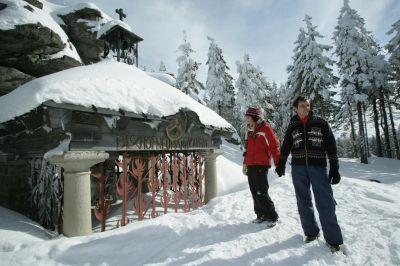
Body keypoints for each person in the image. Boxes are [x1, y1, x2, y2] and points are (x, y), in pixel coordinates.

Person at [275, 95, 343, 252]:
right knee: (303, 201)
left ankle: (333, 240)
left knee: (325, 202)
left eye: (307, 105)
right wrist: (281, 164)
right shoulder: (292, 126)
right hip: (298, 168)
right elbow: (286, 146)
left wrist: (334, 167)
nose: (306, 108)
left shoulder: (320, 123)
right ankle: (311, 232)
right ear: (295, 108)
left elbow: (331, 146)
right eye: (302, 106)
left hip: (317, 167)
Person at [243, 106, 280, 227]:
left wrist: (279, 163)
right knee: (254, 191)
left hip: (261, 164)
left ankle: (272, 216)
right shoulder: (249, 130)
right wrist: (245, 164)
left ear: (254, 117)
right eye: (246, 117)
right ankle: (261, 215)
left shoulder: (266, 129)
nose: (246, 120)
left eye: (248, 117)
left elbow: (274, 146)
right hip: (251, 165)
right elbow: (247, 149)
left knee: (261, 192)